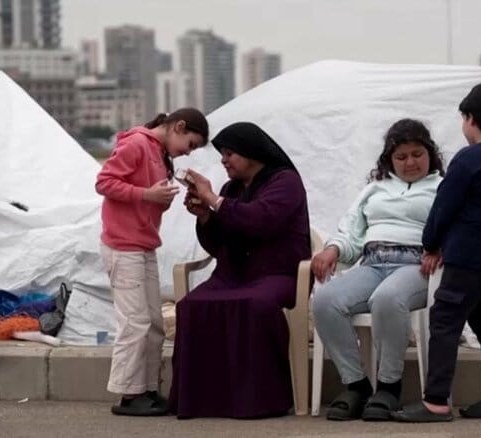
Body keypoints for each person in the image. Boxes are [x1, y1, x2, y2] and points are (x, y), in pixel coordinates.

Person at [393, 83, 481, 423]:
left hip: (468, 256)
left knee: (444, 320)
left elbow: (444, 207)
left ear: (470, 119)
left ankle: (436, 401)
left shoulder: (468, 160)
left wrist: (430, 243)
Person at [168, 122, 312, 419]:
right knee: (190, 305)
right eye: (222, 154)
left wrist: (213, 200)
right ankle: (205, 401)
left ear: (251, 152)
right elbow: (217, 244)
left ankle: (259, 401)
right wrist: (205, 216)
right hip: (232, 274)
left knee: (256, 305)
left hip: (278, 274)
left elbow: (261, 220)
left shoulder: (286, 182)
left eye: (230, 153)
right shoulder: (231, 189)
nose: (224, 160)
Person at [310, 119, 445, 421]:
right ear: (389, 160)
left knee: (387, 298)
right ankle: (357, 385)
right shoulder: (375, 189)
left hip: (416, 266)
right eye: (401, 156)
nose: (410, 162)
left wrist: (441, 248)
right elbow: (350, 232)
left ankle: (388, 387)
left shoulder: (442, 188)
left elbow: (456, 228)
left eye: (417, 154)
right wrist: (333, 249)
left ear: (430, 154)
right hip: (372, 263)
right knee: (325, 301)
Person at [95, 109, 209, 416]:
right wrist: (146, 194)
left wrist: (159, 198)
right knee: (135, 322)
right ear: (178, 127)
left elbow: (141, 196)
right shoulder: (136, 144)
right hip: (123, 245)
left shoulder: (158, 153)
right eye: (190, 144)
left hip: (142, 244)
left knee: (154, 324)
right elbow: (104, 182)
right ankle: (129, 394)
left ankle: (146, 388)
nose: (188, 152)